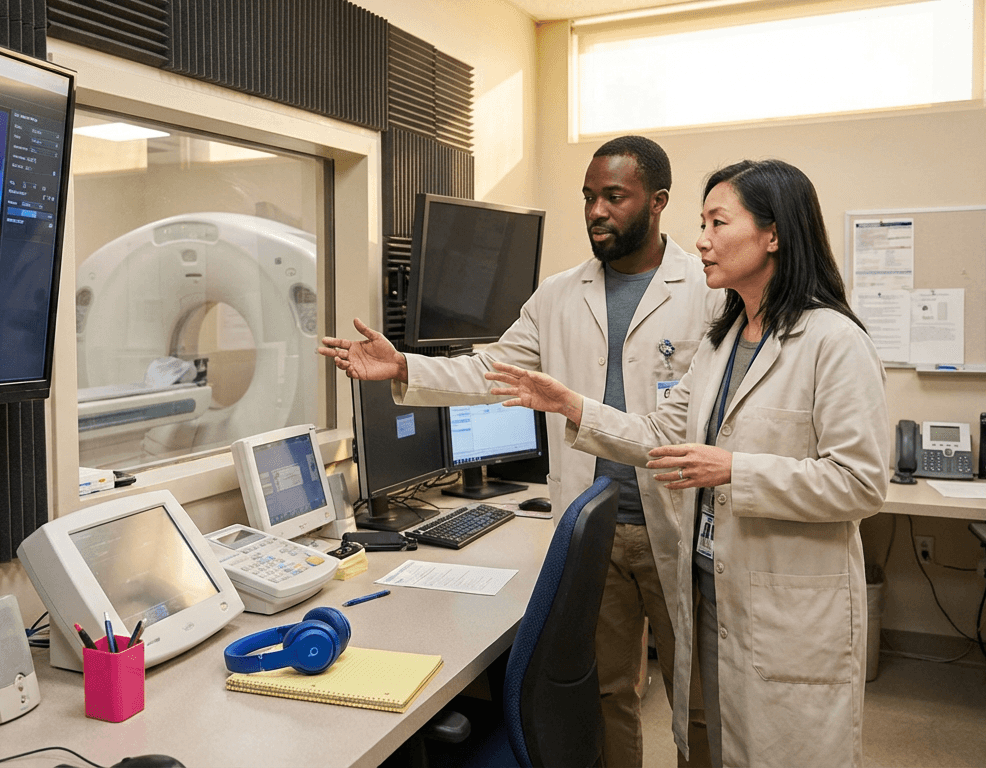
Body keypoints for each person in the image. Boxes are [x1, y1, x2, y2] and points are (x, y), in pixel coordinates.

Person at [320, 136, 720, 767]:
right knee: (610, 692)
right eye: (589, 197)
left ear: (658, 201)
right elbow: (493, 371)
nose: (596, 210)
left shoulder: (705, 290)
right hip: (595, 530)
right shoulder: (560, 293)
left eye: (614, 196)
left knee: (698, 700)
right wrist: (405, 365)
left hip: (679, 518)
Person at [485, 159, 889, 768]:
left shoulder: (833, 342)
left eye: (718, 222)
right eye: (701, 222)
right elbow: (658, 434)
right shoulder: (724, 341)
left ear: (773, 234)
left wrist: (734, 469)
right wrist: (571, 404)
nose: (700, 239)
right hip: (709, 582)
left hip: (786, 604)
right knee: (709, 738)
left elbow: (860, 483)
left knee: (784, 750)